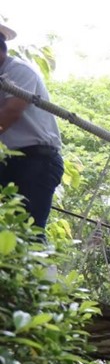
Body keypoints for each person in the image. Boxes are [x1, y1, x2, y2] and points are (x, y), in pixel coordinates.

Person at [0, 23, 64, 238]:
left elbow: (9, 114)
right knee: (7, 234)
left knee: (28, 233)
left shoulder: (17, 71)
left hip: (36, 161)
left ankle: (37, 270)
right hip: (7, 161)